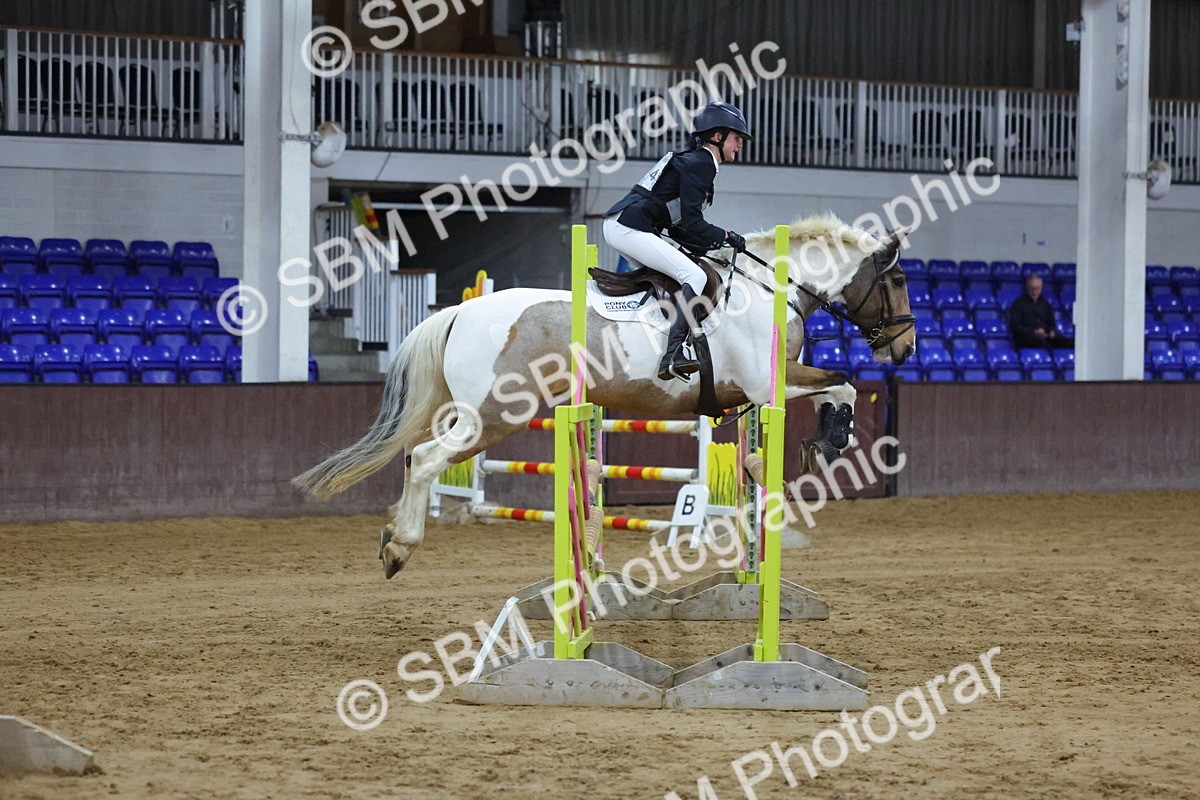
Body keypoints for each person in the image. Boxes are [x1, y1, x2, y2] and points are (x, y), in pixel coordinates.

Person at [602, 101, 751, 381]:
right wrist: (726, 236)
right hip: (628, 227)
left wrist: (713, 245)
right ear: (717, 136)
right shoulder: (702, 163)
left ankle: (649, 341)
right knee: (695, 276)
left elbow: (680, 228)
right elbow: (693, 223)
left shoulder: (696, 162)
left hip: (625, 225)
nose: (740, 144)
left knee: (676, 275)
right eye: (736, 138)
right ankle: (673, 355)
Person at [1008, 275, 1074, 349]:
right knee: (1044, 345)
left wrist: (1051, 331)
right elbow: (1015, 326)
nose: (1034, 291)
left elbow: (1051, 324)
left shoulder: (1045, 304)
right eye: (1032, 288)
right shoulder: (1019, 303)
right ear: (1027, 288)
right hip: (1025, 338)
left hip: (1044, 336)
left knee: (1071, 343)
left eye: (1037, 288)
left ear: (1041, 288)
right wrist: (1034, 331)